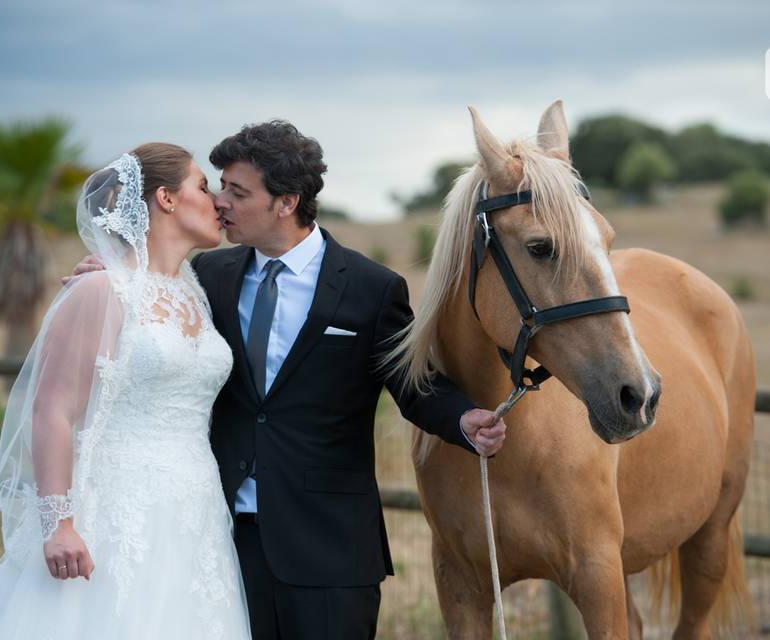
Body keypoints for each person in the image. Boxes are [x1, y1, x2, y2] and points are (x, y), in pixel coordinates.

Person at [68, 121, 507, 640]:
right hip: (217, 538)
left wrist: (463, 419)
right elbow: (148, 297)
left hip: (330, 549)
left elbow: (414, 386)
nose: (220, 203)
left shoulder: (371, 288)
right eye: (219, 187)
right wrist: (115, 271)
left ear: (285, 201)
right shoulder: (208, 277)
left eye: (237, 191)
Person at [0, 144, 251, 639]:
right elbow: (53, 409)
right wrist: (59, 523)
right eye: (203, 185)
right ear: (166, 199)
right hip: (116, 510)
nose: (218, 200)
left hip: (196, 515)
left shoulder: (195, 292)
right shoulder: (102, 289)